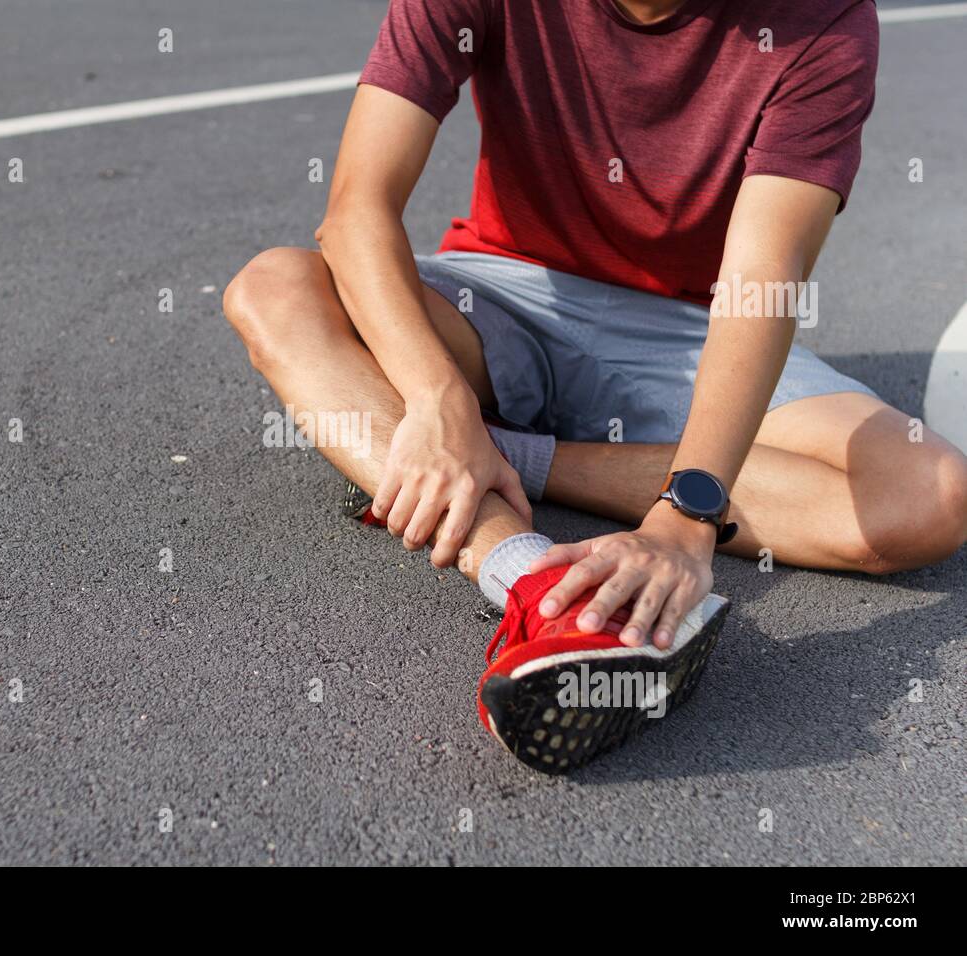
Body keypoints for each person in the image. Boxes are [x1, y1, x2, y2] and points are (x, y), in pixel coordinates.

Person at [222, 0, 967, 771]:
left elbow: (760, 282)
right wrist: (441, 398)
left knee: (927, 497)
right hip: (500, 295)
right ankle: (527, 581)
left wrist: (688, 512)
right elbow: (355, 213)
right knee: (274, 289)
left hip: (686, 331)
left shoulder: (823, 16)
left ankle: (500, 453)